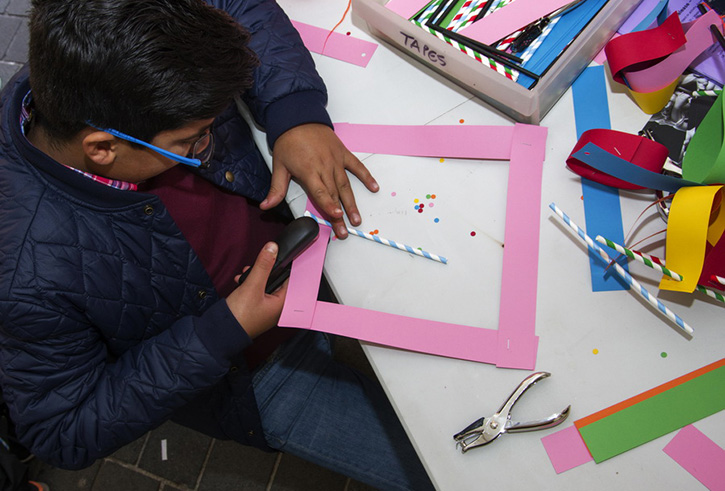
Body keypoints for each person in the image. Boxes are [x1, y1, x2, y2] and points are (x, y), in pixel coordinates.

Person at [0, 1, 434, 490]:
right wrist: (222, 333)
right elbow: (62, 431)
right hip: (250, 372)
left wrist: (295, 114)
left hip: (309, 247)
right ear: (102, 148)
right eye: (190, 140)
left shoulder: (104, 45)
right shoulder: (24, 273)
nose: (206, 144)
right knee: (441, 469)